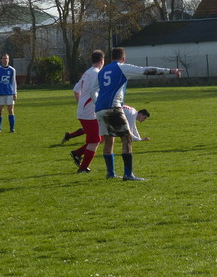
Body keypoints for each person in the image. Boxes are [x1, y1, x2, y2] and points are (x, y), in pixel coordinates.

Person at [95, 47, 182, 181]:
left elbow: (93, 89)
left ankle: (110, 173)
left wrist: (99, 103)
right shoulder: (122, 67)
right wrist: (170, 71)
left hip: (100, 109)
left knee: (108, 141)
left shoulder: (102, 71)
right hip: (113, 108)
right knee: (127, 139)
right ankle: (128, 174)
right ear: (123, 59)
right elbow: (145, 70)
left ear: (111, 58)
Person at [70, 50, 105, 173]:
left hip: (84, 111)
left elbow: (75, 90)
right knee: (95, 141)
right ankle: (83, 167)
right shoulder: (97, 73)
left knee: (101, 137)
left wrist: (81, 104)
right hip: (90, 113)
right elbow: (94, 92)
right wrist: (98, 105)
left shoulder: (87, 72)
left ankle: (77, 153)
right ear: (102, 60)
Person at [0, 53, 18, 133]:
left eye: (7, 58)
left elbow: (13, 82)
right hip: (0, 94)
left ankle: (12, 128)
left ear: (8, 59)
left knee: (11, 110)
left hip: (9, 93)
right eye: (4, 58)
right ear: (1, 60)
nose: (5, 60)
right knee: (0, 111)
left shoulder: (12, 70)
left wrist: (15, 92)